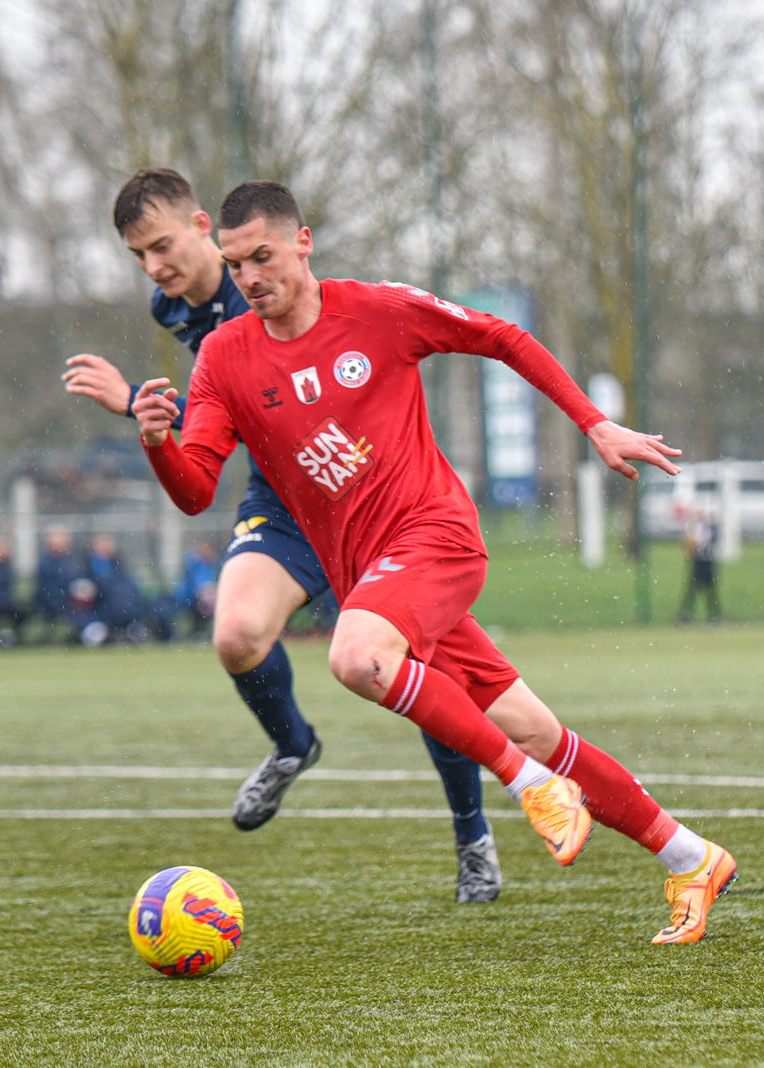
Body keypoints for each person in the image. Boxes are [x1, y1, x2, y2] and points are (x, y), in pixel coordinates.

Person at [134, 182, 737, 943]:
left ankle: (528, 786)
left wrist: (594, 423)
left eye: (263, 256)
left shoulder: (376, 311)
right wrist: (156, 441)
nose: (250, 278)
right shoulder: (224, 355)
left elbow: (502, 337)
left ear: (303, 243)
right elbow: (195, 490)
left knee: (356, 658)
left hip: (436, 536)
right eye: (236, 265)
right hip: (372, 578)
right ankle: (690, 857)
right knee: (533, 729)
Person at [64, 169, 501, 903]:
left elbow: (285, 397)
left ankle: (473, 836)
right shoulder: (173, 306)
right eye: (139, 255)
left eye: (162, 246)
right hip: (285, 498)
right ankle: (293, 744)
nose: (154, 267)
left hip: (361, 491)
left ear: (202, 227)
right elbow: (223, 415)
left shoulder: (264, 290)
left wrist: (136, 399)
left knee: (413, 665)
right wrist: (145, 414)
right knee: (236, 634)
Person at [32, 525, 82, 639]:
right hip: (50, 607)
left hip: (71, 606)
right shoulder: (45, 564)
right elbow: (44, 590)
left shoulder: (73, 562)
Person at [678, 510, 721, 624]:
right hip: (697, 563)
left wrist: (693, 543)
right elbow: (690, 544)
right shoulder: (695, 527)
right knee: (691, 592)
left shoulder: (708, 528)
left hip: (706, 563)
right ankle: (685, 615)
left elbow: (702, 542)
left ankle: (714, 616)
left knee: (710, 593)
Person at [173, 540, 219, 639]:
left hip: (194, 599)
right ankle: (198, 632)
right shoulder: (196, 564)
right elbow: (200, 585)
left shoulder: (208, 565)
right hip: (189, 599)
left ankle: (198, 632)